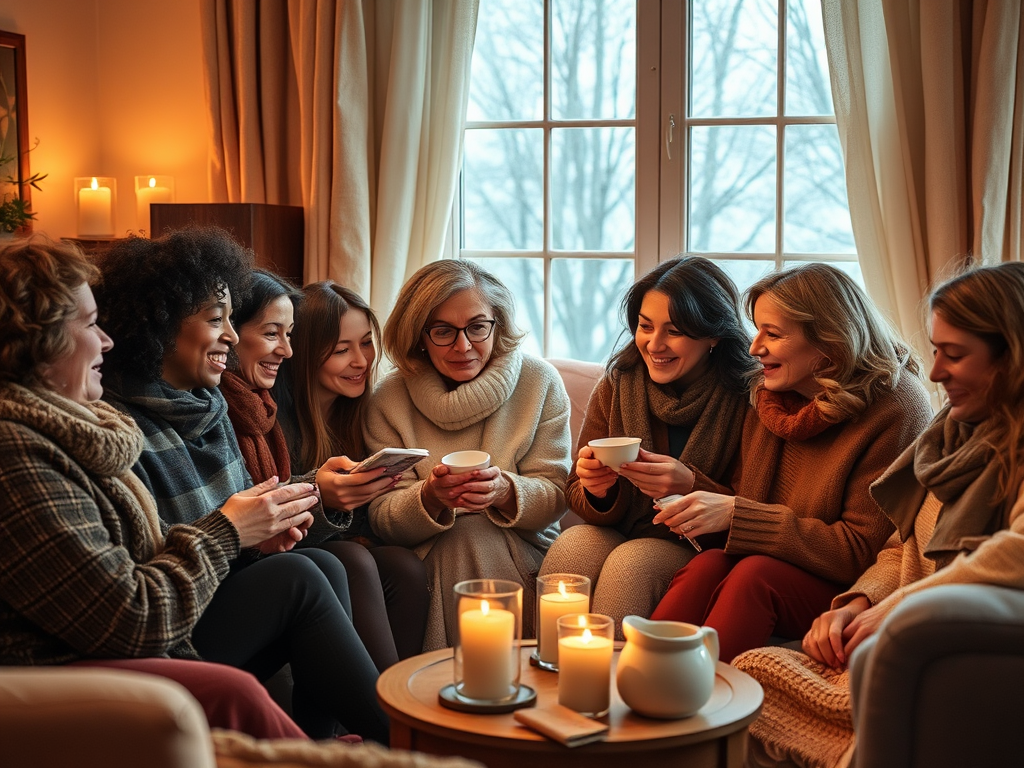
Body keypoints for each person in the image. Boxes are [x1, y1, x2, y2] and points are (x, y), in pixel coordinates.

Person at [0, 236, 305, 740]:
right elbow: (130, 614)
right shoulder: (18, 454)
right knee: (263, 650)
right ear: (38, 338)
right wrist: (228, 531)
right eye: (91, 325)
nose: (107, 341)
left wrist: (260, 524)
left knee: (321, 569)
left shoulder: (88, 428)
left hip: (150, 626)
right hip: (79, 663)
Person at [94, 228, 389, 742]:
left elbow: (233, 525)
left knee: (321, 562)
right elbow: (160, 555)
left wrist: (264, 529)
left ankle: (325, 743)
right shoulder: (122, 428)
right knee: (299, 575)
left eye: (233, 320)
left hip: (212, 594)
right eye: (216, 320)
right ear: (161, 328)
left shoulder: (208, 406)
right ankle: (399, 738)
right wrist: (239, 532)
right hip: (169, 627)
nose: (230, 336)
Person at [733, 261, 1024, 768]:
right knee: (749, 673)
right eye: (935, 350)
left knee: (751, 683)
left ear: (1013, 359)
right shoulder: (952, 434)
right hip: (885, 631)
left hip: (925, 645)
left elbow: (1014, 552)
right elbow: (900, 549)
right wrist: (855, 604)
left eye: (954, 355)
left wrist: (898, 610)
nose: (933, 372)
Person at [650, 264, 933, 662]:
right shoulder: (770, 395)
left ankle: (706, 703)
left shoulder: (897, 407)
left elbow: (862, 551)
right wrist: (691, 493)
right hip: (774, 565)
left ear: (829, 343)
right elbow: (745, 508)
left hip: (846, 584)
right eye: (757, 329)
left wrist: (736, 515)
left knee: (755, 575)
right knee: (708, 564)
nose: (754, 347)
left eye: (774, 333)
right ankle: (636, 678)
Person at [538, 256, 756, 633]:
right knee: (572, 546)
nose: (654, 344)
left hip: (700, 547)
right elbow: (576, 492)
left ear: (713, 335)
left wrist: (691, 485)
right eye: (645, 326)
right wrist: (596, 490)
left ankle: (617, 687)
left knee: (632, 564)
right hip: (620, 528)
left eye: (674, 331)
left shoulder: (747, 397)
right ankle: (546, 677)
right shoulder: (619, 382)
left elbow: (756, 504)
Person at [363, 260, 571, 651]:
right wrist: (430, 498)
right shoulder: (389, 399)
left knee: (474, 533)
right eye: (443, 331)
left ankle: (453, 685)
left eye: (477, 327)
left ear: (498, 324)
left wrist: (505, 491)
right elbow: (382, 517)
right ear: (419, 335)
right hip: (424, 559)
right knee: (463, 534)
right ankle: (494, 679)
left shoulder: (539, 383)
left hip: (520, 548)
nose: (463, 346)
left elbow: (558, 495)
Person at [275, 281, 429, 667]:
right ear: (304, 354)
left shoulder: (362, 413)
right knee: (352, 560)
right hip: (290, 553)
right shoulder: (275, 419)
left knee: (405, 566)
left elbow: (372, 518)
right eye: (342, 350)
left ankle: (402, 699)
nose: (361, 361)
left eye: (366, 343)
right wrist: (321, 495)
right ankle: (384, 716)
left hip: (344, 546)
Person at [220, 269, 302, 484]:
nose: (287, 351)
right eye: (272, 333)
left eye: (289, 334)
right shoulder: (210, 413)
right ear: (229, 331)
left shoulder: (268, 407)